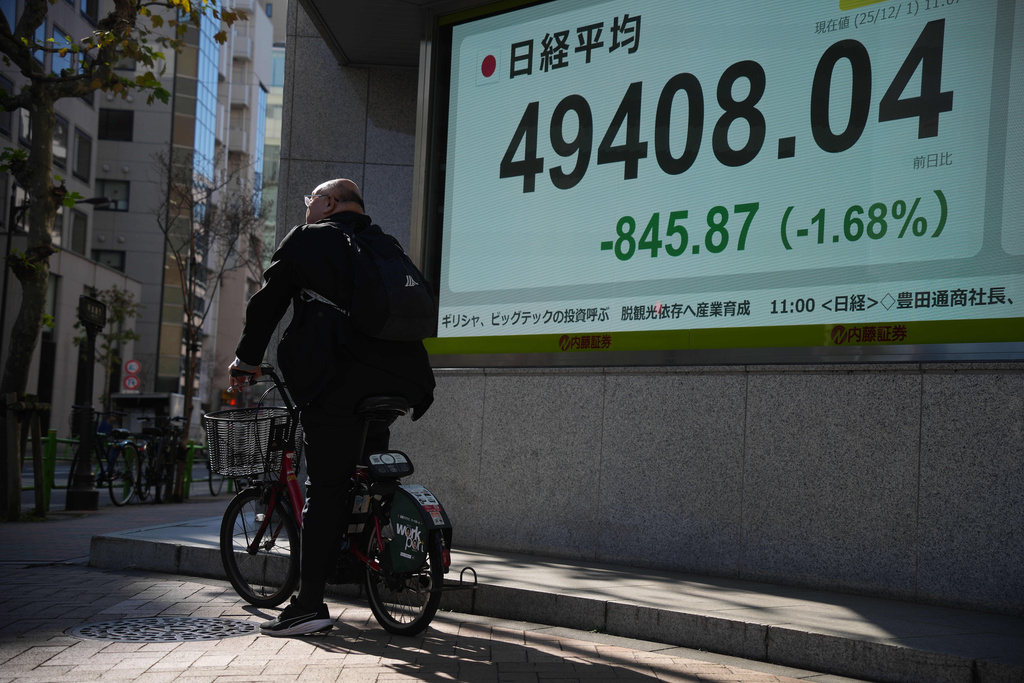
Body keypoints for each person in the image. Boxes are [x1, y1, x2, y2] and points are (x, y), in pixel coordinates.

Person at [228, 178, 435, 637]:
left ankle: (308, 606)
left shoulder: (309, 239)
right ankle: (366, 547)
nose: (307, 207)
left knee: (327, 488)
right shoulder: (386, 244)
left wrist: (246, 361)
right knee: (367, 474)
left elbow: (268, 303)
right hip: (400, 382)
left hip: (338, 382)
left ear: (329, 203)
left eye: (310, 200)